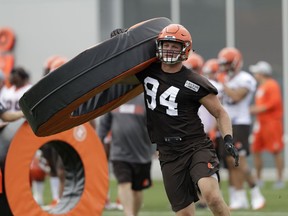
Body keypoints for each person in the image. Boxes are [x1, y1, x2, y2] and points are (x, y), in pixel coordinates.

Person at [131, 23, 239, 216]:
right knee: (185, 214)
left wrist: (228, 139)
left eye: (175, 46)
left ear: (185, 49)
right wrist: (122, 44)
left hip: (195, 146)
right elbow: (117, 79)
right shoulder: (146, 71)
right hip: (167, 152)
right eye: (166, 44)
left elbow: (220, 112)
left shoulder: (195, 82)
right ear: (159, 46)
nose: (170, 49)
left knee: (212, 196)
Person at [218, 47, 265, 210]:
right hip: (226, 125)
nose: (224, 68)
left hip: (240, 123)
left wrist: (223, 84)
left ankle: (256, 192)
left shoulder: (245, 78)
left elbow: (237, 96)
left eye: (227, 64)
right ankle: (239, 197)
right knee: (230, 162)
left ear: (236, 63)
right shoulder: (226, 79)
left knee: (239, 161)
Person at [97, 94, 154, 216]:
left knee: (137, 190)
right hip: (119, 153)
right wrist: (97, 142)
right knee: (124, 183)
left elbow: (154, 126)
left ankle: (134, 213)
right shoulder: (114, 99)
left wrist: (155, 148)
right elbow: (104, 124)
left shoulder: (145, 99)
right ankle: (129, 214)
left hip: (141, 154)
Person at [249, 61, 285, 189]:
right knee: (255, 149)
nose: (255, 74)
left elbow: (273, 103)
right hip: (261, 123)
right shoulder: (262, 86)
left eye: (257, 72)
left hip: (272, 123)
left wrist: (254, 109)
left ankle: (280, 179)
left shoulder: (271, 85)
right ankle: (259, 179)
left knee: (276, 151)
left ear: (262, 73)